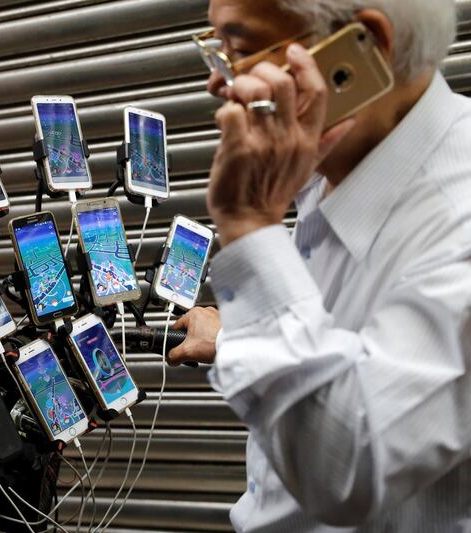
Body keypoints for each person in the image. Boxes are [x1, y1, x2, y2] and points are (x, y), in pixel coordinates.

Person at [167, 0, 471, 530]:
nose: (218, 83)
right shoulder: (329, 160)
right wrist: (239, 332)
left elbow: (344, 469)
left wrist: (249, 225)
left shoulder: (459, 218)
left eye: (238, 50)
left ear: (362, 50)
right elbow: (343, 343)